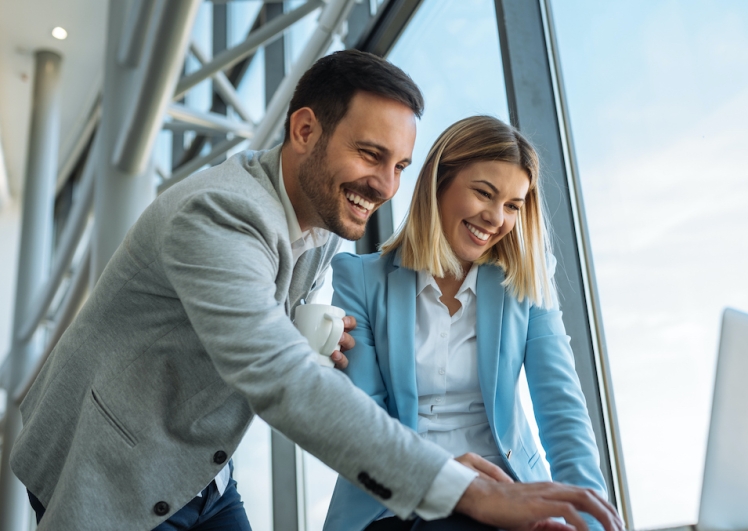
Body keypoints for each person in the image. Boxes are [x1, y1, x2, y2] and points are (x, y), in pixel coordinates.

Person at [10, 51, 622, 531]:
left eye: (400, 167)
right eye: (369, 154)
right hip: (111, 460)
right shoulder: (219, 213)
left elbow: (270, 338)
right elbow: (282, 380)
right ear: (305, 129)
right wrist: (474, 493)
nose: (385, 185)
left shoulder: (325, 217)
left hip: (204, 470)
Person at [323, 116, 609, 531]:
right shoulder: (362, 280)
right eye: (484, 193)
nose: (496, 218)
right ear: (439, 182)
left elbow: (563, 411)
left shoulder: (526, 282)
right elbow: (367, 422)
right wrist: (444, 479)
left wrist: (592, 521)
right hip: (398, 501)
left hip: (509, 493)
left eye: (513, 205)